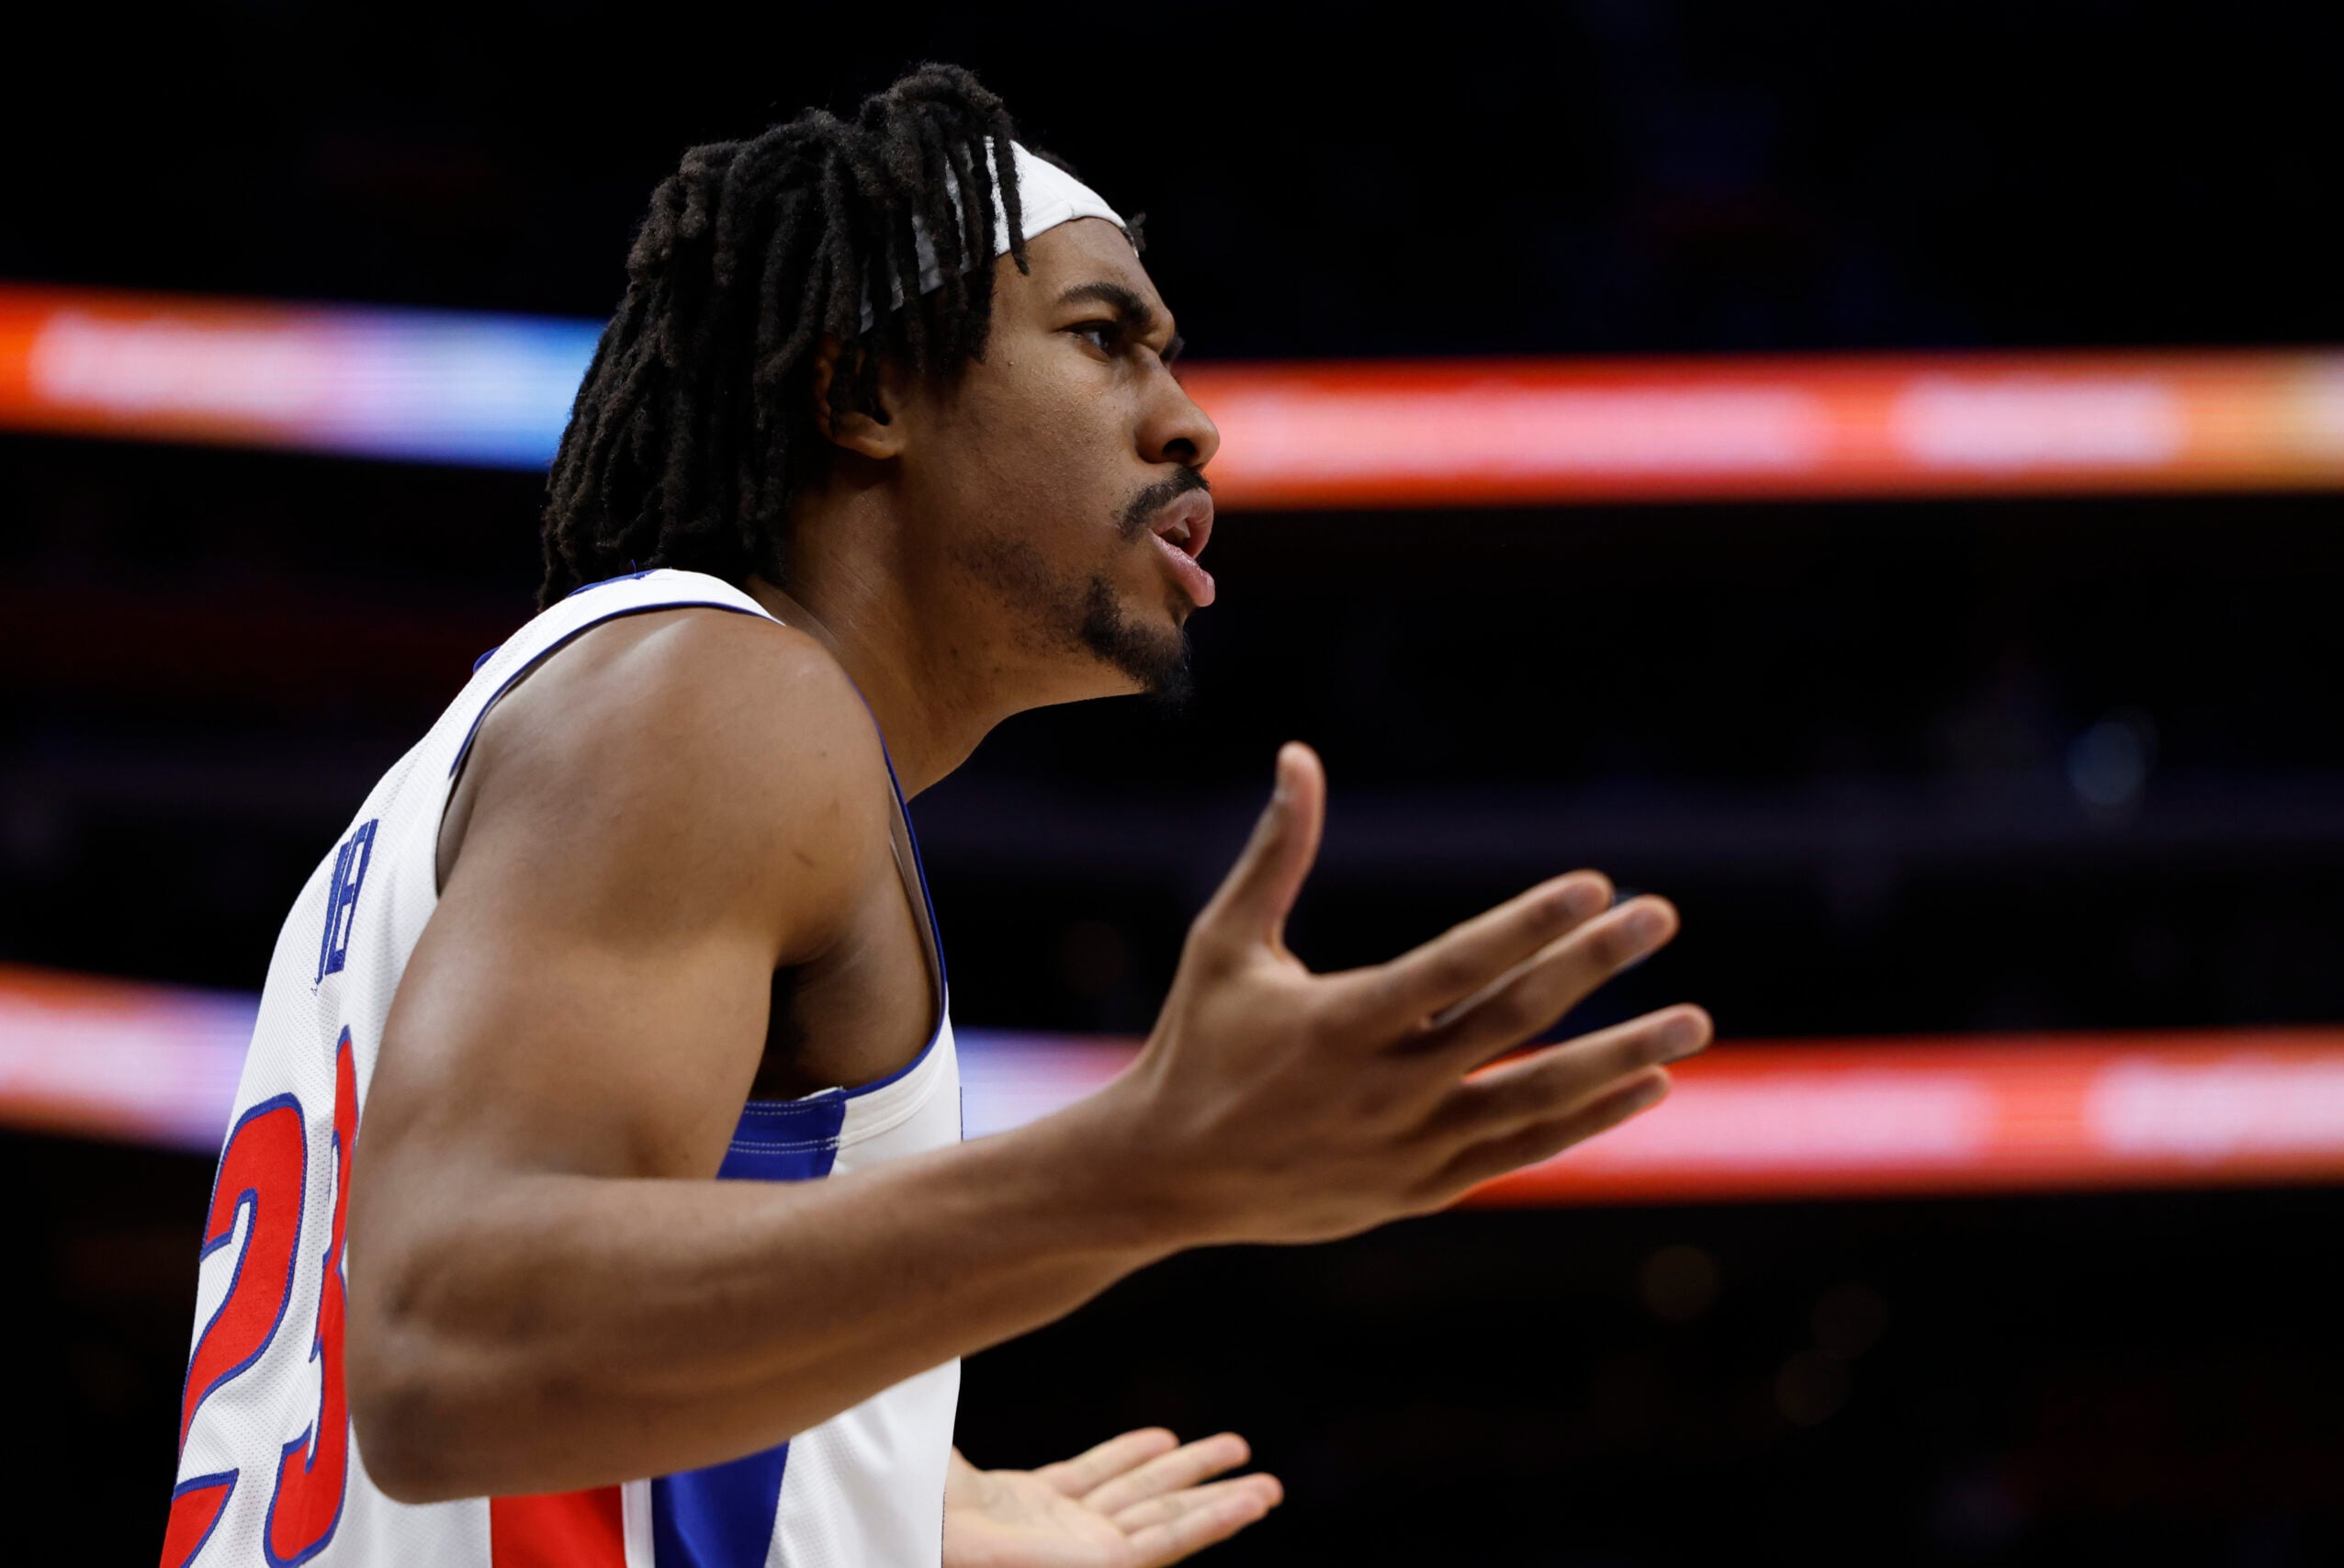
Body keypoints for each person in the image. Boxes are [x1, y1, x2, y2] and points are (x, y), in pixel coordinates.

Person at [159, 63, 1711, 1568]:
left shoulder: (565, 742)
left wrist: (879, 1493)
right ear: (867, 393)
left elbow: (509, 1348)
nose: (1189, 425)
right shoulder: (719, 693)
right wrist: (1143, 1169)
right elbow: (446, 1350)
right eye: (1106, 338)